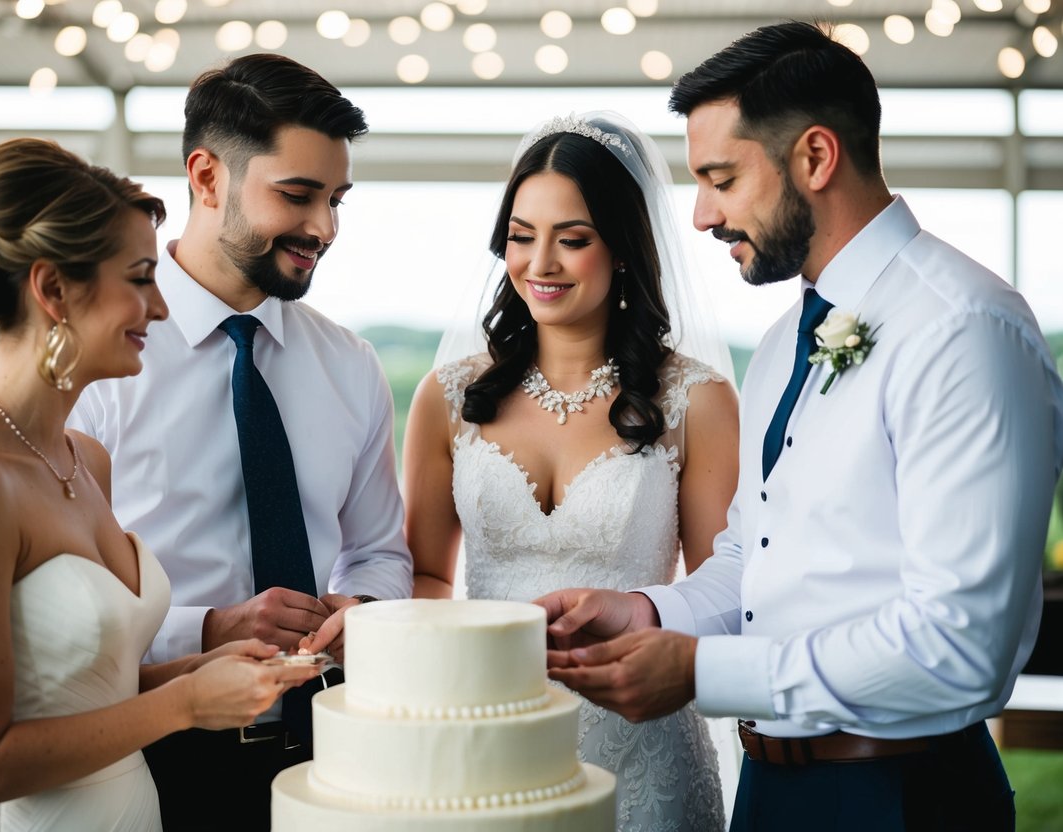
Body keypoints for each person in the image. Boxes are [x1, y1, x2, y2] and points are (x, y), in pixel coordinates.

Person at [540, 21, 1063, 832]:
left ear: (815, 158)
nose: (701, 216)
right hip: (771, 791)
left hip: (901, 796)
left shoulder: (964, 329)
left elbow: (959, 648)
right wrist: (646, 614)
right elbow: (755, 559)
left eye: (720, 178)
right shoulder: (785, 339)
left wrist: (703, 671)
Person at [0, 137, 320, 830]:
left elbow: (74, 694)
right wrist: (183, 708)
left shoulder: (85, 458)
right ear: (54, 289)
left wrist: (195, 672)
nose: (162, 308)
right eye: (140, 277)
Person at [68, 53, 413, 830]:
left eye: (335, 200)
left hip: (334, 755)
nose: (323, 228)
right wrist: (209, 629)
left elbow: (381, 552)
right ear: (207, 177)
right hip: (149, 751)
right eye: (297, 195)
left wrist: (362, 608)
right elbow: (58, 604)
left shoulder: (350, 367)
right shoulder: (97, 366)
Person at [402, 111, 740, 831]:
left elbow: (725, 587)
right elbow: (427, 575)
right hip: (486, 735)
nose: (540, 264)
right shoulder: (448, 397)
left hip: (645, 752)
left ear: (622, 247)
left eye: (572, 239)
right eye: (521, 237)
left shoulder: (697, 401)